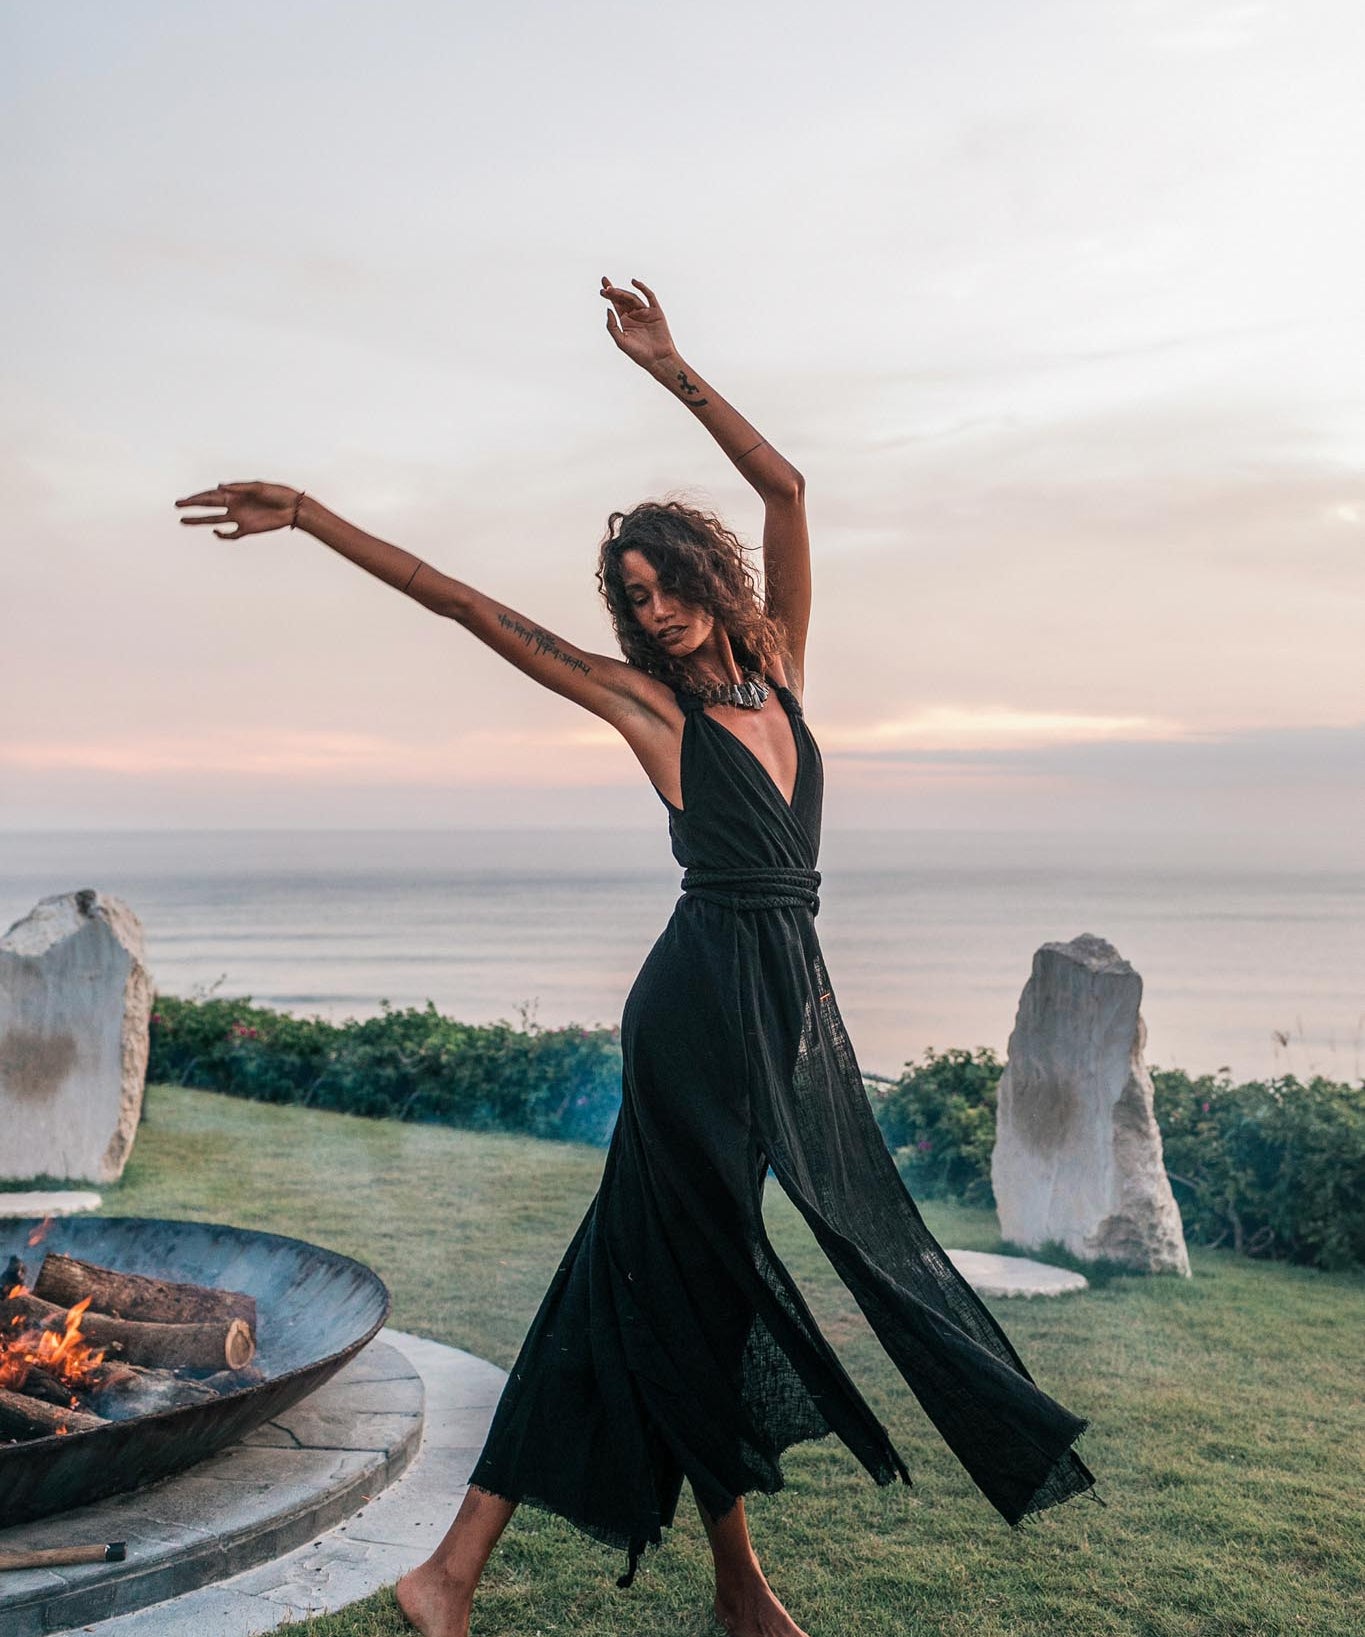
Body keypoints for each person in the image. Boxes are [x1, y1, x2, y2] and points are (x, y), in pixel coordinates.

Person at [176, 277, 1100, 1637]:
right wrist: (310, 515)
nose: (653, 609)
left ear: (714, 579)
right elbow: (468, 609)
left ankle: (500, 1575)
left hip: (774, 1002)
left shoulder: (778, 667)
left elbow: (785, 488)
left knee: (651, 1277)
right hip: (694, 1014)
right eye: (632, 595)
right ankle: (704, 1588)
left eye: (667, 583)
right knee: (688, 1275)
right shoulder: (647, 706)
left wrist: (671, 366)